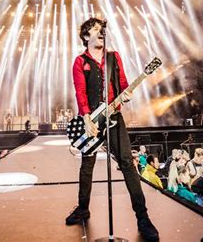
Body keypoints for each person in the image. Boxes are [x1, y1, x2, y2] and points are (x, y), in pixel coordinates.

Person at [65, 17, 159, 240]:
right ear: (86, 36)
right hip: (91, 120)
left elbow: (124, 84)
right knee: (87, 165)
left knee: (127, 163)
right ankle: (83, 207)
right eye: (97, 31)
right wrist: (87, 118)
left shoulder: (113, 57)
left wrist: (126, 94)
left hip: (114, 117)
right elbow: (80, 92)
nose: (101, 34)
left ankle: (143, 218)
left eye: (102, 30)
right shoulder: (80, 62)